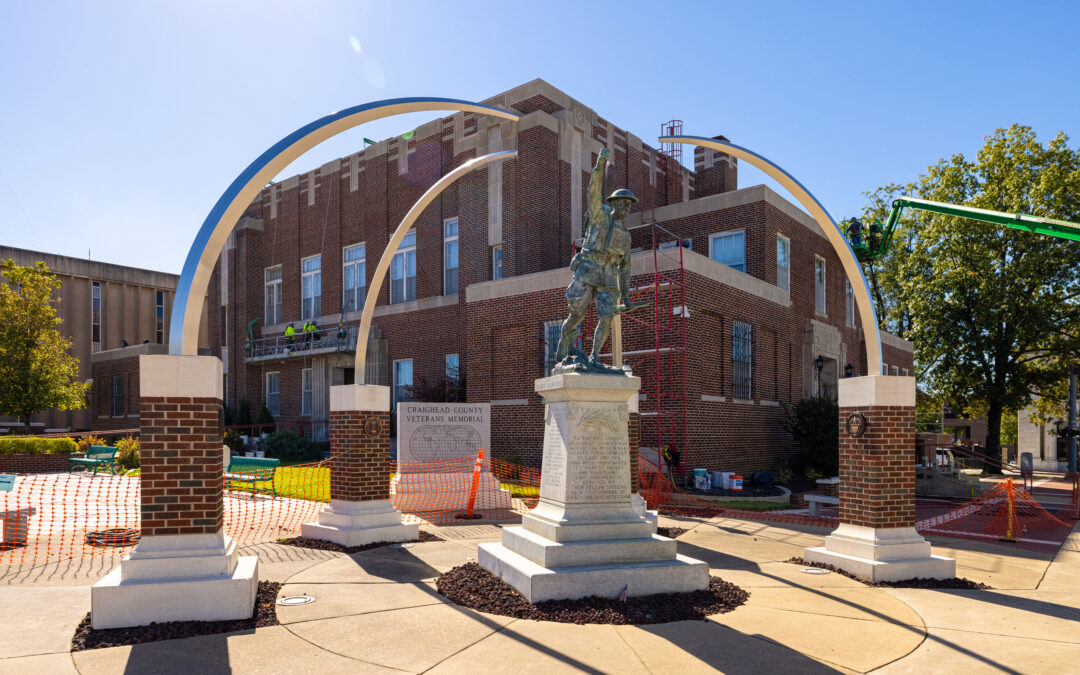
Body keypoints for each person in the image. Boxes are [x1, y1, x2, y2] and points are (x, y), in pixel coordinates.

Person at [554, 147, 647, 373]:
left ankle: (595, 358)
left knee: (606, 317)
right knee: (577, 315)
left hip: (608, 277)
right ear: (613, 204)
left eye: (629, 204)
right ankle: (563, 349)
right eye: (621, 202)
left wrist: (625, 296)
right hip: (587, 271)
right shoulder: (599, 215)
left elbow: (625, 268)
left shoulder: (626, 236)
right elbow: (593, 193)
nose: (625, 207)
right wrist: (600, 165)